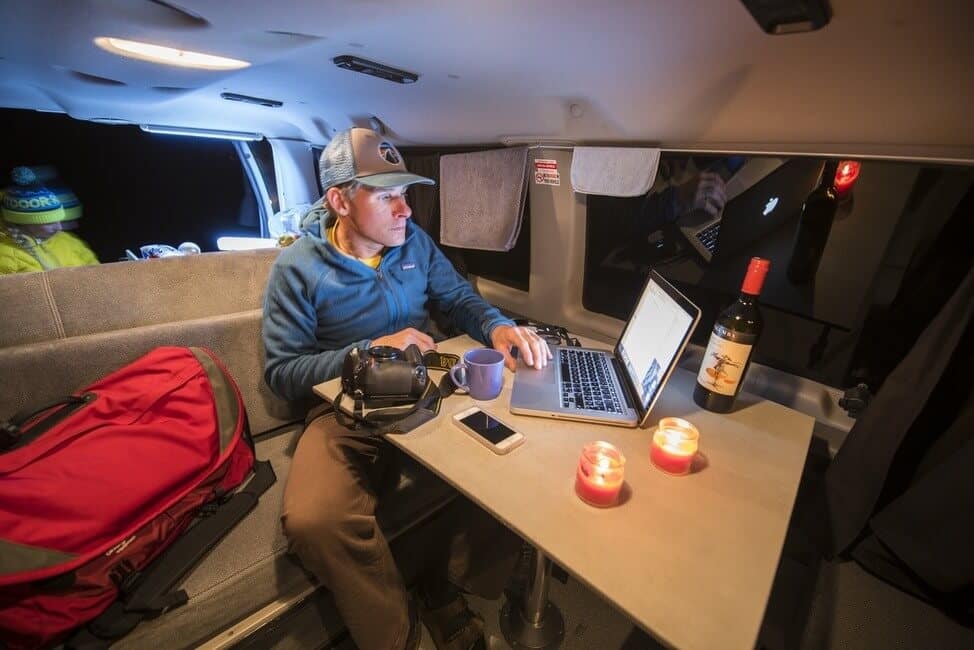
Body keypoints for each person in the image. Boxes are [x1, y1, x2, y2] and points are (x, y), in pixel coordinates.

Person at [262, 127, 552, 650]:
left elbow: (459, 298)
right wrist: (370, 348)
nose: (407, 211)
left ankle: (445, 587)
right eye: (388, 195)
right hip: (345, 408)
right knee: (313, 517)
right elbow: (282, 372)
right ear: (339, 199)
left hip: (429, 391)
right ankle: (398, 633)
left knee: (509, 458)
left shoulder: (414, 244)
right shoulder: (297, 269)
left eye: (406, 194)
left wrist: (496, 326)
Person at [0, 166, 99, 275]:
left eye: (60, 220)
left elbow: (97, 274)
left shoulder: (68, 241)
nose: (59, 227)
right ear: (24, 222)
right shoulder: (5, 255)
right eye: (49, 222)